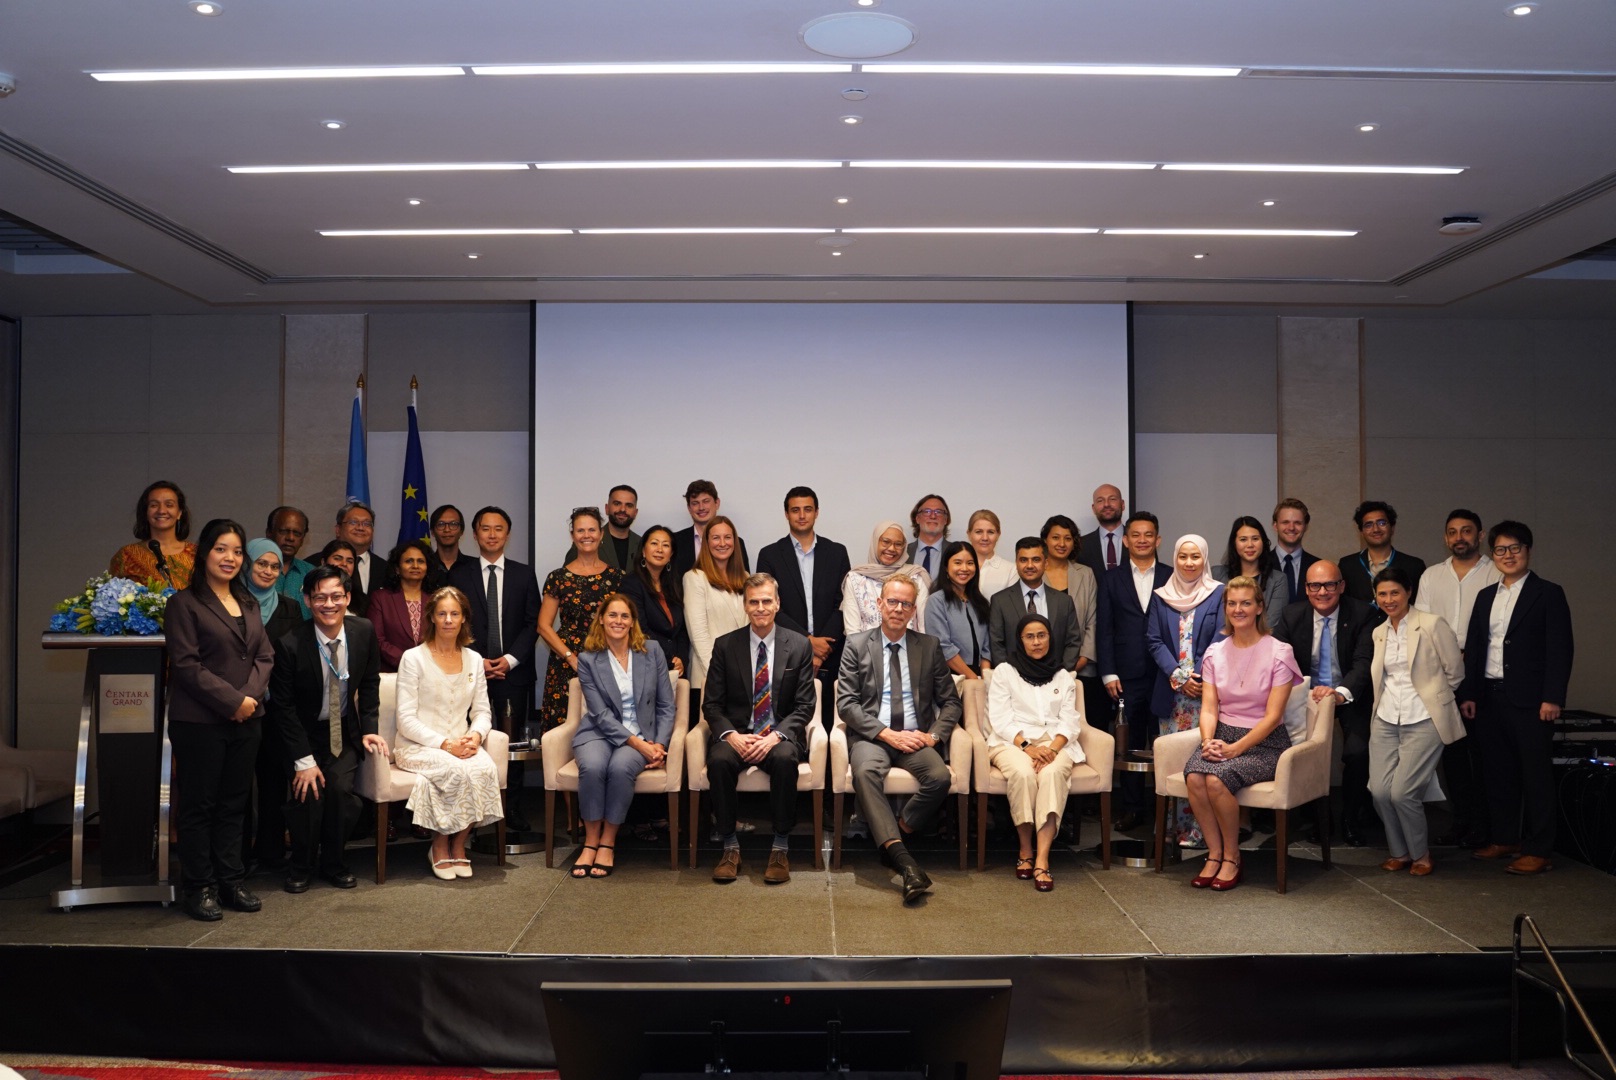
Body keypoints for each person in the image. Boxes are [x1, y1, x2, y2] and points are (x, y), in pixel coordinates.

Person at [164, 518, 275, 921]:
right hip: (200, 721)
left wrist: (250, 698)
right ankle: (199, 887)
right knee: (199, 806)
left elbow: (265, 656)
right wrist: (233, 701)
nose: (230, 558)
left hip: (248, 719)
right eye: (221, 549)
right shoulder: (183, 604)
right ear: (203, 553)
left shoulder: (248, 601)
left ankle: (231, 881)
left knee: (234, 805)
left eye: (237, 551)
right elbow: (186, 665)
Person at [836, 575, 962, 905]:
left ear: (912, 609)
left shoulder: (929, 646)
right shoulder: (857, 644)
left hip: (914, 736)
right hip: (872, 737)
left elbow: (951, 701)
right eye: (892, 601)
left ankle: (898, 834)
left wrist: (933, 736)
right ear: (879, 604)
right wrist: (884, 733)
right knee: (865, 773)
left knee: (939, 777)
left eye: (905, 603)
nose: (898, 609)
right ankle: (905, 863)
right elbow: (846, 703)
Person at [1459, 521, 1574, 877]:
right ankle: (1506, 838)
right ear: (1492, 554)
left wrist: (1552, 697)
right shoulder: (1485, 596)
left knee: (1535, 775)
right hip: (1490, 697)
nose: (1508, 556)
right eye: (1500, 550)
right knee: (1498, 773)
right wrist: (1470, 693)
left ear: (1528, 550)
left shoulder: (1548, 593)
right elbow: (1476, 649)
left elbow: (1560, 649)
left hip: (1532, 701)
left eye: (1515, 548)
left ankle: (1539, 848)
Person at [1179, 576, 1304, 891]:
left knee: (1217, 779)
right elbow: (1209, 709)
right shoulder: (1215, 653)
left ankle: (1233, 857)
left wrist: (1236, 749)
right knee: (1195, 775)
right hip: (1222, 734)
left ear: (1259, 607)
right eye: (1232, 603)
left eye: (1246, 602)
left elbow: (1274, 716)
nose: (1238, 609)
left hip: (1265, 742)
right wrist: (1208, 741)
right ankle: (1214, 853)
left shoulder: (1280, 651)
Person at [268, 566, 387, 893]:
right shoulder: (290, 644)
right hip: (302, 735)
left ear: (347, 598)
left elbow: (371, 682)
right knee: (309, 792)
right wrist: (303, 759)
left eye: (336, 596)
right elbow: (283, 707)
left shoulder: (363, 631)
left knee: (337, 792)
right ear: (307, 600)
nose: (329, 604)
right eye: (320, 597)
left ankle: (334, 863)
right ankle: (302, 865)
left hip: (342, 731)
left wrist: (369, 727)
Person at [703, 574, 817, 884]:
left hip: (778, 733)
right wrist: (732, 736)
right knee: (719, 760)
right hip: (740, 732)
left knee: (783, 758)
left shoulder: (798, 645)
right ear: (745, 605)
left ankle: (780, 846)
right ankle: (729, 846)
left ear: (777, 604)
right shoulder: (726, 645)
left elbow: (805, 706)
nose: (761, 607)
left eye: (767, 601)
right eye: (754, 601)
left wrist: (777, 736)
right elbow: (712, 705)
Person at [393, 586, 505, 880]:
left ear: (464, 618)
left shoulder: (473, 659)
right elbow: (405, 719)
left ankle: (458, 843)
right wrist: (445, 744)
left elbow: (482, 711)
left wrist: (476, 737)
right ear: (431, 617)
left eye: (454, 614)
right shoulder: (413, 658)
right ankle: (439, 845)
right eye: (441, 613)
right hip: (418, 745)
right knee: (454, 770)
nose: (448, 620)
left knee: (483, 769)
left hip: (462, 743)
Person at [1272, 559, 1384, 846]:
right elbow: (1280, 663)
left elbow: (1363, 663)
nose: (1322, 592)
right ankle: (1320, 820)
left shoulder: (1363, 614)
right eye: (1314, 585)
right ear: (1306, 588)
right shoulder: (1291, 615)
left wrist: (1340, 692)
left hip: (1349, 694)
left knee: (1358, 753)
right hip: (1307, 697)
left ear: (1342, 586)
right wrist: (1305, 693)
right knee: (1305, 753)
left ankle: (1350, 817)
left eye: (1329, 584)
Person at [570, 594, 677, 879]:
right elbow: (600, 715)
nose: (618, 621)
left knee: (619, 769)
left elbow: (667, 706)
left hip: (643, 734)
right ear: (601, 620)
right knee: (593, 767)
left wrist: (659, 744)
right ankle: (590, 841)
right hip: (599, 733)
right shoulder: (588, 659)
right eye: (612, 615)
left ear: (632, 622)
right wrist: (639, 744)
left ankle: (608, 841)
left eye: (624, 616)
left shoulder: (651, 651)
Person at [1368, 566, 1464, 878]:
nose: (1388, 599)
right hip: (1385, 718)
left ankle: (1421, 854)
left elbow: (1455, 672)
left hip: (1423, 718)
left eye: (1394, 592)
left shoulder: (1432, 623)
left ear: (1409, 592)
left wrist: (1436, 697)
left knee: (1403, 793)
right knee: (1380, 792)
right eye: (1382, 594)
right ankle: (1399, 852)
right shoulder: (1379, 632)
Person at [1413, 508, 1501, 846]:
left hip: (1482, 673)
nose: (1459, 537)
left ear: (1479, 536)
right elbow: (1420, 624)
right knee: (1453, 754)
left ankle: (1489, 826)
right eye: (1452, 532)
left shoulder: (1496, 572)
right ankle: (1461, 822)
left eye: (1466, 531)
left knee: (1485, 752)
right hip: (1443, 675)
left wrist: (1469, 655)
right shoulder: (1432, 576)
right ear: (1445, 537)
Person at [985, 613, 1087, 892]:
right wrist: (1028, 747)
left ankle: (1042, 859)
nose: (1037, 642)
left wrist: (1052, 750)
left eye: (1042, 635)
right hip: (1012, 742)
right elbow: (1000, 718)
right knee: (1022, 773)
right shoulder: (1005, 671)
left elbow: (1070, 721)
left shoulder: (1063, 675)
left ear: (1050, 638)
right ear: (1020, 640)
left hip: (1057, 744)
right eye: (1029, 636)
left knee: (1053, 774)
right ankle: (1025, 850)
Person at [1145, 534, 1226, 847]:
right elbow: (1153, 640)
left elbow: (1222, 636)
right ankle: (1169, 828)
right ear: (1175, 559)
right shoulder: (1161, 595)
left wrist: (1199, 677)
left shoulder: (1218, 593)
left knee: (1202, 761)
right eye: (1183, 556)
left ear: (1204, 559)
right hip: (1173, 694)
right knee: (1172, 762)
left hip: (1206, 692)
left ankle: (1199, 831)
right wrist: (1179, 677)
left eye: (1195, 557)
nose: (1189, 563)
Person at [1097, 512, 1172, 831]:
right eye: (1136, 535)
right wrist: (1108, 672)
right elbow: (1105, 629)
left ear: (1158, 540)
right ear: (1125, 541)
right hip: (1126, 675)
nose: (1142, 540)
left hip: (1166, 672)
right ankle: (1131, 808)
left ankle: (1167, 809)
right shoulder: (1110, 579)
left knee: (1167, 741)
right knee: (1129, 741)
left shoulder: (1173, 575)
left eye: (1148, 534)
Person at [447, 505, 542, 739]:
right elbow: (453, 623)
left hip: (514, 673)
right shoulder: (458, 575)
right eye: (486, 529)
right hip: (470, 670)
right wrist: (479, 660)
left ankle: (512, 779)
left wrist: (509, 661)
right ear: (474, 534)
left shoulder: (524, 574)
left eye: (498, 529)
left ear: (507, 535)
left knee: (512, 741)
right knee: (469, 737)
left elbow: (533, 623)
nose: (492, 535)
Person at [755, 486, 852, 694]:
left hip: (831, 655)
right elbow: (770, 607)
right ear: (786, 514)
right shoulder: (769, 555)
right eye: (795, 510)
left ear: (816, 512)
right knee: (788, 721)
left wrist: (822, 650)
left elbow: (844, 603)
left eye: (807, 509)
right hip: (785, 653)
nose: (801, 515)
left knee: (827, 721)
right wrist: (808, 643)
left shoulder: (837, 552)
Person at [241, 538, 301, 874]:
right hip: (239, 705)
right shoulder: (233, 602)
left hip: (276, 707)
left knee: (275, 782)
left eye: (274, 565)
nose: (267, 570)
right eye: (261, 563)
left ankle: (271, 853)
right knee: (238, 785)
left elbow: (290, 656)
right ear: (247, 564)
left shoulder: (290, 607)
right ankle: (236, 857)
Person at [536, 508, 624, 732]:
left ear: (601, 534)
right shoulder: (558, 577)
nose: (587, 535)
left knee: (607, 728)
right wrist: (571, 658)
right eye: (580, 530)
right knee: (563, 731)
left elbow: (625, 623)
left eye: (592, 530)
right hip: (566, 663)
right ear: (572, 535)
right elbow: (543, 626)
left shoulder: (618, 577)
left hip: (607, 660)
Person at [987, 537, 1082, 671]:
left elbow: (1073, 642)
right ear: (1016, 563)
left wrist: (1061, 674)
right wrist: (1011, 677)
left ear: (1046, 563)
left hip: (1055, 680)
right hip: (1014, 682)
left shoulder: (1064, 601)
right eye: (1023, 560)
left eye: (1036, 560)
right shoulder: (1000, 601)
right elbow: (996, 644)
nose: (1030, 565)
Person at [683, 515, 749, 694]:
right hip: (709, 676)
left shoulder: (746, 578)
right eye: (715, 537)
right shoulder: (695, 578)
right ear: (706, 542)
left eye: (728, 537)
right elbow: (698, 635)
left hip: (742, 675)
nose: (722, 543)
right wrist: (719, 673)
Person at [1041, 514, 1100, 710]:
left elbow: (1092, 619)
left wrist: (1082, 659)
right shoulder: (1034, 572)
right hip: (1041, 667)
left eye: (1068, 538)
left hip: (1082, 668)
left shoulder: (1085, 573)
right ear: (1045, 540)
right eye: (1055, 537)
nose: (1062, 543)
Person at [619, 524, 688, 677]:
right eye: (654, 543)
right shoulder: (631, 583)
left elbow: (682, 629)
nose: (659, 549)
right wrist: (670, 658)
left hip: (676, 668)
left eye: (666, 545)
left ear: (671, 554)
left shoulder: (675, 584)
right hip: (645, 664)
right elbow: (639, 628)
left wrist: (681, 659)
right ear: (643, 551)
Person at [842, 521, 931, 635]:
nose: (891, 548)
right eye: (886, 542)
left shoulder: (916, 576)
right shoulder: (855, 578)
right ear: (875, 542)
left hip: (910, 650)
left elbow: (923, 627)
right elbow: (852, 631)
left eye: (898, 544)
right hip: (867, 650)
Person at [369, 539, 443, 673]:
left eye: (420, 561)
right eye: (408, 561)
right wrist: (408, 661)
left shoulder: (437, 599)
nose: (415, 565)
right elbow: (377, 640)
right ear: (397, 568)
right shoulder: (381, 598)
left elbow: (443, 637)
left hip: (431, 672)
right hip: (392, 674)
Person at [109, 480, 196, 589]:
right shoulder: (127, 555)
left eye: (169, 505)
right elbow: (112, 597)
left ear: (179, 513)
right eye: (154, 505)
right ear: (146, 512)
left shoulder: (198, 554)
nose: (162, 511)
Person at [1340, 501, 1426, 608]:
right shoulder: (1347, 565)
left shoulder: (1414, 566)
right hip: (1360, 625)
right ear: (1361, 532)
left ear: (1392, 528)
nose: (1376, 529)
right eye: (1368, 525)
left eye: (1381, 523)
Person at [925, 541, 991, 681]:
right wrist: (972, 677)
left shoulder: (981, 602)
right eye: (958, 562)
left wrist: (986, 678)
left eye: (970, 563)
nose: (964, 568)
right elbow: (943, 646)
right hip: (950, 676)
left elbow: (987, 645)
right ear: (946, 567)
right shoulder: (936, 601)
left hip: (979, 675)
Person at [1212, 516, 1287, 629]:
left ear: (1263, 542)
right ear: (1234, 543)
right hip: (1224, 642)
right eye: (1243, 539)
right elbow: (1214, 620)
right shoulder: (1216, 575)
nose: (1250, 545)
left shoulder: (1278, 579)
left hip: (1263, 644)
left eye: (1255, 539)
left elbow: (1271, 624)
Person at [672, 479, 750, 577]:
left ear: (717, 503)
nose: (701, 508)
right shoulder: (675, 541)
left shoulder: (736, 543)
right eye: (695, 503)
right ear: (689, 508)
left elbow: (745, 584)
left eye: (706, 501)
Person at [567, 485, 642, 572]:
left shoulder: (642, 544)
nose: (622, 509)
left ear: (635, 512)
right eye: (617, 504)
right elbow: (568, 577)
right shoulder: (587, 541)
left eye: (629, 505)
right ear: (607, 508)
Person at [1271, 498, 1319, 607]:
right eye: (1285, 522)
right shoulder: (1260, 564)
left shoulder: (1317, 566)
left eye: (1297, 523)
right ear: (1275, 526)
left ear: (1306, 526)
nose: (1291, 528)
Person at [333, 500, 378, 616]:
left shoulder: (387, 568)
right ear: (338, 530)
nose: (360, 528)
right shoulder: (313, 563)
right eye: (353, 522)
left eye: (367, 524)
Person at [1076, 483, 1127, 579]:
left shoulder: (1139, 541)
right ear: (1093, 508)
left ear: (1123, 504)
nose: (1106, 504)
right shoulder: (1081, 545)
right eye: (1100, 501)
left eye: (1112, 499)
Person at [266, 506, 313, 603]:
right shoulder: (252, 570)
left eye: (297, 533)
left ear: (302, 539)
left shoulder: (312, 573)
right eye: (283, 531)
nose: (290, 538)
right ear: (269, 533)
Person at [966, 509, 1016, 598]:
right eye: (979, 532)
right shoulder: (957, 567)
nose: (985, 538)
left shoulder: (1011, 570)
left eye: (990, 532)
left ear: (998, 535)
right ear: (969, 534)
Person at [906, 494, 951, 585]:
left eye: (938, 512)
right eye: (927, 511)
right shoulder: (904, 552)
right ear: (917, 518)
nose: (933, 516)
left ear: (946, 519)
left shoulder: (956, 552)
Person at [426, 504, 469, 579]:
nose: (447, 530)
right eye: (441, 524)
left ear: (461, 531)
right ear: (432, 532)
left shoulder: (475, 566)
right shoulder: (425, 565)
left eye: (453, 524)